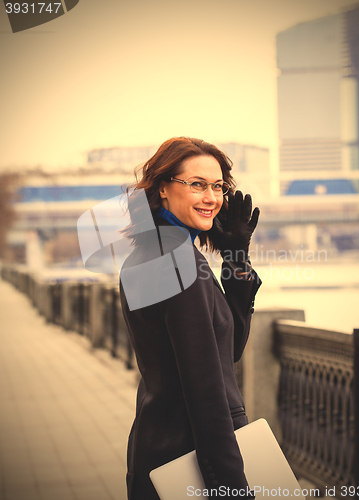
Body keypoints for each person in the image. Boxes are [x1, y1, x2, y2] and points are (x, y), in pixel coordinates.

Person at [119, 137, 262, 499]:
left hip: (159, 445)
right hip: (189, 459)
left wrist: (236, 262)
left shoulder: (151, 251)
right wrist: (233, 488)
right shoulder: (177, 258)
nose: (212, 198)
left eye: (218, 187)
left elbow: (224, 350)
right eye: (197, 184)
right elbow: (206, 392)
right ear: (164, 188)